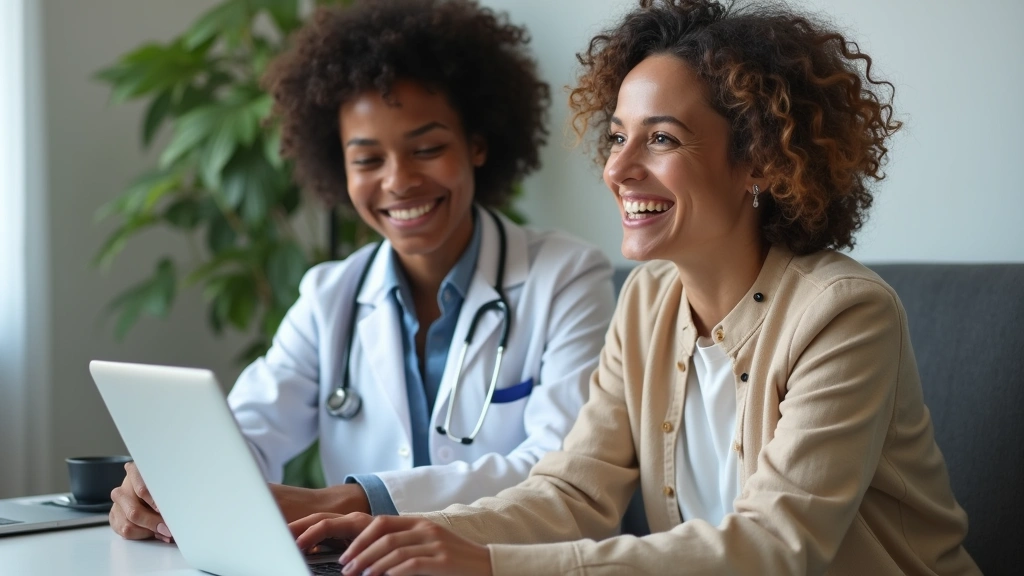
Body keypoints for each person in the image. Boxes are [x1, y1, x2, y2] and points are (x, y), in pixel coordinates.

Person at [286, 1, 982, 574]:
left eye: (662, 139)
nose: (618, 169)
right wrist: (404, 534)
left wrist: (488, 564)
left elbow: (777, 546)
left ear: (761, 162)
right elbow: (573, 492)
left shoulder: (844, 313)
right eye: (618, 137)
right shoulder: (648, 302)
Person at [107, 0, 615, 543]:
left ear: (477, 145)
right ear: (339, 166)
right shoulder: (330, 296)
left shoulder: (566, 277)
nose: (398, 181)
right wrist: (169, 481)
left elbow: (559, 467)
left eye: (427, 148)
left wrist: (354, 500)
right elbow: (247, 433)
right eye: (368, 160)